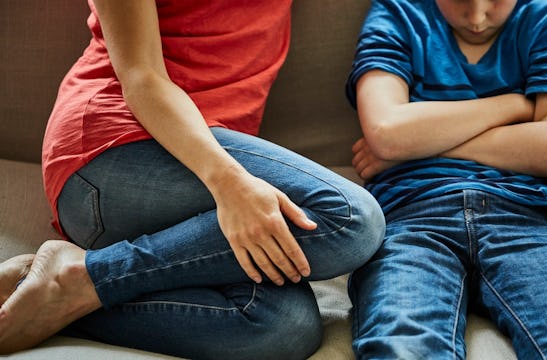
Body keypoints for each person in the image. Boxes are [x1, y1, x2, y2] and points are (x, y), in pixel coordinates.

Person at [0, 1, 385, 359]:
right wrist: (230, 182)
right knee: (349, 219)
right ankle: (85, 277)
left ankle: (53, 288)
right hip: (114, 151)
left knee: (282, 325)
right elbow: (141, 76)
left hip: (193, 182)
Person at [346, 0, 547, 359]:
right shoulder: (398, 13)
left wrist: (419, 143)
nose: (478, 17)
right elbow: (387, 132)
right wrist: (514, 105)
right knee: (400, 346)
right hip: (410, 217)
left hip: (525, 214)